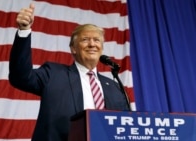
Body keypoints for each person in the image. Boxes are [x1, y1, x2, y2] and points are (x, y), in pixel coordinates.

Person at [8, 3, 129, 141]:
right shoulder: (53, 74)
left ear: (101, 48)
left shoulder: (113, 87)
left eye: (97, 40)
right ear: (73, 48)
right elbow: (20, 77)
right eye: (85, 40)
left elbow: (124, 125)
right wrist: (24, 31)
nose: (92, 44)